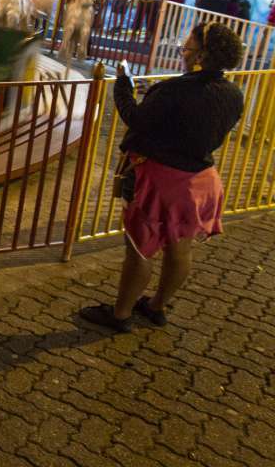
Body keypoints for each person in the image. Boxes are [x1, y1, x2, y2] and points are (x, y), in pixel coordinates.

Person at [79, 22, 244, 332]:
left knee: (140, 249)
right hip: (200, 181)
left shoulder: (174, 91)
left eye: (187, 48)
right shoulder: (233, 94)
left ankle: (121, 314)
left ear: (201, 55)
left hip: (159, 182)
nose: (183, 52)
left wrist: (122, 84)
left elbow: (136, 119)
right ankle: (156, 307)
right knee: (180, 249)